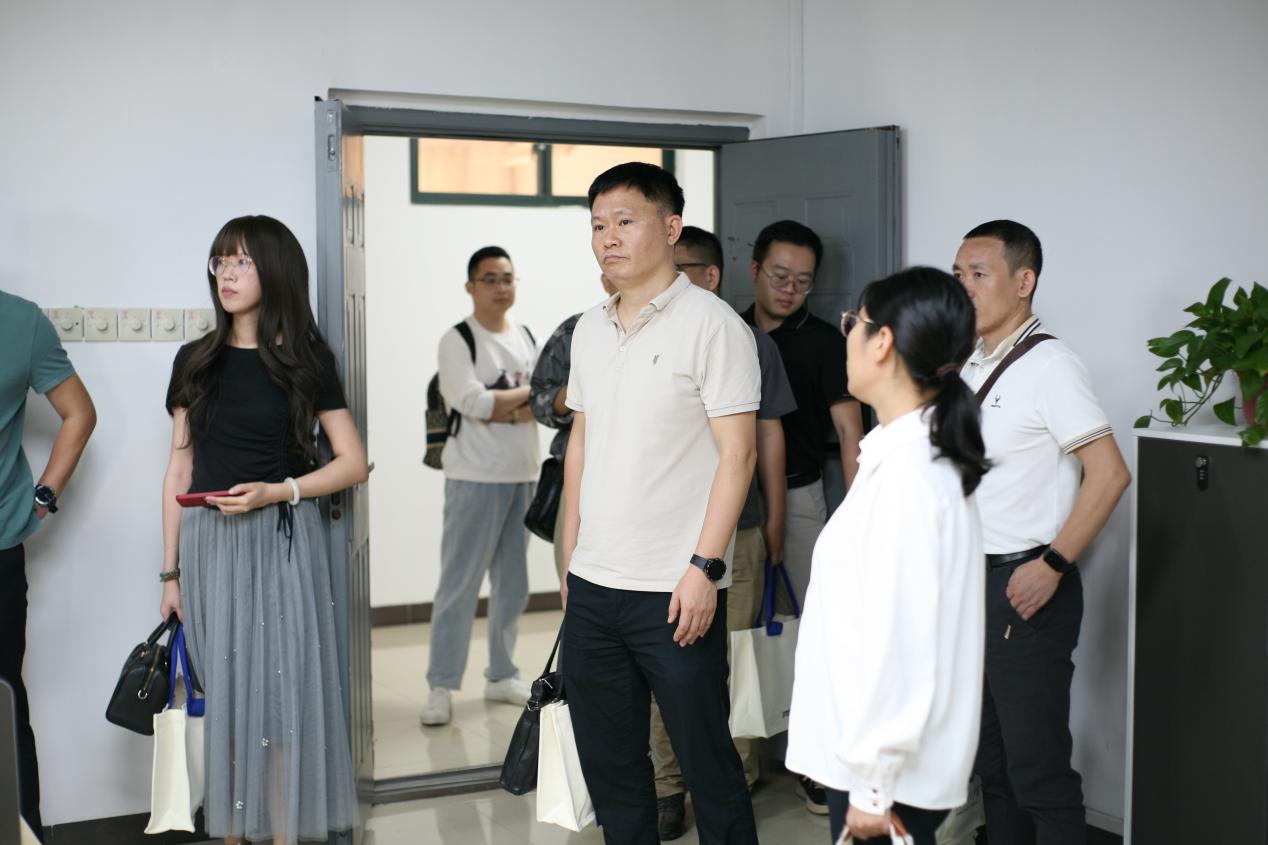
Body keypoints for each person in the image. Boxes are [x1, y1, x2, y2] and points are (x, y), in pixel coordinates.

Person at [561, 162, 761, 845]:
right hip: (595, 583)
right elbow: (580, 446)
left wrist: (705, 567)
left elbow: (739, 456)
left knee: (707, 763)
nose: (608, 238)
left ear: (671, 228)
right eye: (598, 225)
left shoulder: (714, 326)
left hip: (675, 589)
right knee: (613, 767)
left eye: (625, 221)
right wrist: (570, 559)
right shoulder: (589, 328)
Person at [160, 215, 365, 845]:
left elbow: (353, 463)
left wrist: (281, 490)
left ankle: (280, 837)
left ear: (274, 271)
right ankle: (230, 836)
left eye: (242, 261)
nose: (226, 273)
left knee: (280, 704)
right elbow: (179, 468)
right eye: (220, 260)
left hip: (279, 541)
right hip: (209, 547)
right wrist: (170, 573)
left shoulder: (306, 360)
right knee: (223, 702)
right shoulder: (195, 360)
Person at [786, 266, 988, 845]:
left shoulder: (910, 476)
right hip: (870, 763)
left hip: (883, 778)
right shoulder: (900, 457)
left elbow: (905, 638)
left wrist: (873, 787)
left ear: (883, 342)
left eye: (853, 322)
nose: (845, 333)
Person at [953, 221, 1130, 845]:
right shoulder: (970, 363)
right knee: (992, 763)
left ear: (1023, 281)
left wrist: (1052, 565)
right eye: (958, 275)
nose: (964, 287)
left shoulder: (1052, 364)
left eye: (979, 274)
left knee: (1038, 770)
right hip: (970, 583)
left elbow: (1110, 474)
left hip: (1024, 586)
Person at [648, 225, 797, 839]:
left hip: (742, 530)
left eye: (681, 266)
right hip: (665, 539)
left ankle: (734, 779)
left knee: (733, 660)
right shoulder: (647, 334)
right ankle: (666, 787)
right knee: (668, 665)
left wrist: (775, 518)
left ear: (710, 276)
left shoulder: (748, 341)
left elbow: (768, 437)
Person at [739, 218, 864, 814]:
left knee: (812, 632)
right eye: (780, 276)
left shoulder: (824, 343)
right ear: (755, 270)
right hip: (735, 506)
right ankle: (744, 750)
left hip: (801, 500)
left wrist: (861, 514)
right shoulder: (727, 330)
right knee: (740, 631)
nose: (790, 290)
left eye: (804, 281)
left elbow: (850, 430)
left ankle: (815, 765)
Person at [420, 246, 539, 726]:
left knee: (513, 586)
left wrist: (505, 403)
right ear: (471, 287)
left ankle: (502, 674)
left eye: (507, 278)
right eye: (490, 279)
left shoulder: (525, 336)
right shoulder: (458, 340)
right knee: (460, 584)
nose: (501, 287)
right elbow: (472, 403)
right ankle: (441, 684)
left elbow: (546, 406)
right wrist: (523, 398)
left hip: (522, 474)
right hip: (473, 477)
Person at [0, 291, 96, 841]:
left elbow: (79, 413)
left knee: (4, 704)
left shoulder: (21, 322)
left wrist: (43, 496)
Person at [528, 273, 618, 575]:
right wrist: (579, 390)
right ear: (605, 281)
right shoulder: (578, 330)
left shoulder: (678, 329)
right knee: (574, 575)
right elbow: (538, 400)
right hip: (580, 473)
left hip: (651, 478)